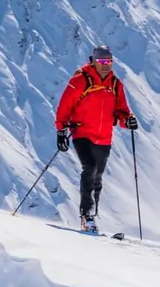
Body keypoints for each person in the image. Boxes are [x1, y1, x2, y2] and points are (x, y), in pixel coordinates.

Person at [54, 44, 138, 234]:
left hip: (104, 136)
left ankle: (93, 215)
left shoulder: (115, 84)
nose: (105, 65)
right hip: (81, 132)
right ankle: (86, 215)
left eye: (109, 61)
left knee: (97, 176)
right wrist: (61, 130)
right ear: (93, 61)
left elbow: (121, 111)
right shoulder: (80, 80)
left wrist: (129, 121)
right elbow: (65, 105)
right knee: (89, 168)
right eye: (101, 61)